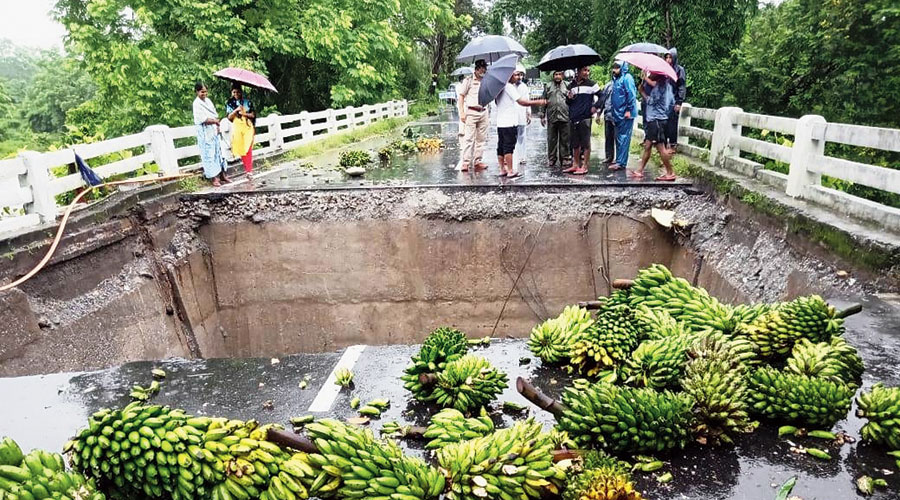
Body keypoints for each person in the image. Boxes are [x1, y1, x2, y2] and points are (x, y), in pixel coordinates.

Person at [494, 72, 547, 178]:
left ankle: (502, 169)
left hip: (500, 122)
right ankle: (510, 170)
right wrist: (538, 102)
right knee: (509, 146)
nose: (517, 77)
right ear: (509, 76)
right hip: (510, 122)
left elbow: (496, 102)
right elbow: (522, 102)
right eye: (515, 75)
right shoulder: (509, 87)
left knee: (501, 146)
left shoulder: (498, 88)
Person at [631, 73, 676, 181]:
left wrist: (642, 92)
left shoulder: (659, 88)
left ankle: (670, 172)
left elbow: (651, 101)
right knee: (648, 145)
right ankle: (640, 170)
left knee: (661, 148)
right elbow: (671, 102)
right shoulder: (667, 86)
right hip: (657, 119)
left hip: (656, 120)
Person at [192, 82, 230, 187]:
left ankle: (223, 175)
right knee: (209, 154)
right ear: (197, 92)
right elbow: (202, 119)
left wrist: (217, 126)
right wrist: (214, 121)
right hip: (205, 132)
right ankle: (214, 178)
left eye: (205, 91)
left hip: (214, 130)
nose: (204, 94)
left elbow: (214, 114)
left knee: (220, 153)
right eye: (201, 92)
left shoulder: (208, 101)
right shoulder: (196, 104)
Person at [565, 66, 601, 175]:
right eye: (584, 70)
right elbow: (568, 103)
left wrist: (596, 107)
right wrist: (569, 98)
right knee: (575, 143)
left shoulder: (592, 84)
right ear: (578, 71)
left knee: (585, 143)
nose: (587, 73)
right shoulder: (571, 85)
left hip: (585, 117)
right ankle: (575, 164)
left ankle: (585, 165)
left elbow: (602, 96)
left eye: (588, 70)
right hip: (574, 117)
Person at [458, 59, 490, 172]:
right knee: (469, 138)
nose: (483, 70)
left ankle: (478, 161)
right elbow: (461, 96)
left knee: (481, 139)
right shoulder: (469, 80)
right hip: (471, 112)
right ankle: (466, 162)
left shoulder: (487, 80)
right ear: (476, 69)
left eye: (484, 68)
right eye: (481, 68)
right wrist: (462, 112)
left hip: (484, 112)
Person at [609, 61, 637, 170]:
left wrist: (629, 110)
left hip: (625, 113)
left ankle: (621, 162)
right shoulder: (617, 79)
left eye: (617, 68)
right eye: (613, 67)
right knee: (619, 138)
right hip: (618, 113)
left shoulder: (627, 78)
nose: (614, 70)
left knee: (624, 138)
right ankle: (619, 159)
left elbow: (631, 94)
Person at [225, 83, 256, 180]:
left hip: (247, 126)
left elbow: (253, 115)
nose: (236, 94)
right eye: (234, 92)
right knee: (241, 148)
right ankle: (247, 169)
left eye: (238, 92)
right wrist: (235, 111)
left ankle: (249, 171)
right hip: (237, 127)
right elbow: (229, 117)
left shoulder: (247, 102)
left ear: (241, 92)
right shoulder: (230, 103)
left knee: (248, 148)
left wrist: (244, 113)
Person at [541, 70, 571, 168]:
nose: (558, 76)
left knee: (565, 139)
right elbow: (543, 101)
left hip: (565, 116)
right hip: (552, 116)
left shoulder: (568, 85)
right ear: (553, 76)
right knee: (551, 139)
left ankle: (565, 158)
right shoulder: (548, 86)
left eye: (559, 74)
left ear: (562, 75)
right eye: (556, 74)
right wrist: (542, 115)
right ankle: (552, 158)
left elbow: (572, 100)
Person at [665, 48, 687, 152]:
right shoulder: (663, 70)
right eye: (667, 57)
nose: (668, 60)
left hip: (673, 100)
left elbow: (681, 86)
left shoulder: (679, 70)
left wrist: (679, 102)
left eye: (670, 57)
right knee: (663, 124)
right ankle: (663, 144)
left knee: (672, 123)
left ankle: (673, 145)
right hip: (663, 102)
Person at [514, 63, 531, 167]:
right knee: (512, 137)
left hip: (522, 114)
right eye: (518, 74)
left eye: (521, 75)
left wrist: (528, 112)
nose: (519, 77)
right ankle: (514, 156)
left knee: (522, 136)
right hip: (512, 116)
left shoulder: (524, 87)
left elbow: (527, 100)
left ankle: (522, 156)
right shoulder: (509, 86)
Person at [597, 79, 616, 166]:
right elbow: (602, 100)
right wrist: (598, 114)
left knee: (618, 138)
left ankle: (619, 159)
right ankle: (609, 156)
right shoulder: (608, 85)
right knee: (608, 137)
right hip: (608, 114)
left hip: (618, 115)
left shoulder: (624, 83)